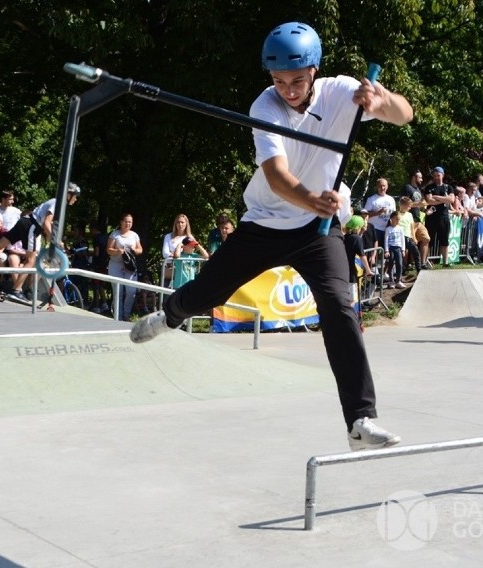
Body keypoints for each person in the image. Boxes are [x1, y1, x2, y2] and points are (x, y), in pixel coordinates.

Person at [130, 21, 413, 451]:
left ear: (314, 71)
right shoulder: (265, 107)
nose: (288, 90)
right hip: (265, 223)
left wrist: (382, 99)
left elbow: (404, 114)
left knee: (340, 307)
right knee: (208, 292)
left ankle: (360, 419)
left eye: (297, 80)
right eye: (279, 81)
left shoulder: (343, 91)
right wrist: (309, 198)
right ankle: (170, 314)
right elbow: (278, 177)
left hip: (318, 232)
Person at [107, 212, 142, 320]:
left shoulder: (134, 235)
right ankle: (118, 316)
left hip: (129, 267)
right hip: (116, 265)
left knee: (131, 291)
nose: (128, 224)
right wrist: (117, 251)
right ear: (121, 222)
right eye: (126, 221)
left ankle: (126, 314)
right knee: (118, 291)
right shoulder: (114, 234)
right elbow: (108, 250)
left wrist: (135, 250)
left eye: (130, 222)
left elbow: (140, 250)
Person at [423, 166, 456, 267]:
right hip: (432, 218)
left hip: (444, 217)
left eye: (439, 175)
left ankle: (445, 262)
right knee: (429, 240)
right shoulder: (429, 188)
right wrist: (444, 199)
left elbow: (451, 200)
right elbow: (429, 200)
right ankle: (425, 261)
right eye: (435, 175)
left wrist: (437, 197)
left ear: (443, 175)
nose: (437, 177)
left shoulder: (448, 187)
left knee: (444, 240)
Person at [343, 215, 372, 324]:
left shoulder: (344, 237)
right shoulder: (357, 239)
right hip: (350, 273)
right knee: (352, 299)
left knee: (344, 298)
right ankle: (347, 321)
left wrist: (361, 233)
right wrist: (368, 270)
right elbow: (362, 255)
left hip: (340, 272)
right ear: (358, 227)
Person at [161, 214, 194, 286]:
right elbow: (165, 253)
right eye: (178, 222)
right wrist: (176, 254)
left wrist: (176, 254)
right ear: (175, 224)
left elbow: (190, 252)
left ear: (186, 224)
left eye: (182, 222)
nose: (180, 224)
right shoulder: (168, 236)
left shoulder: (189, 237)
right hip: (170, 269)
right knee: (166, 294)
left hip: (184, 271)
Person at [364, 177, 397, 245]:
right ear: (376, 187)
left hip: (387, 229)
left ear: (387, 187)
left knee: (384, 252)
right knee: (373, 251)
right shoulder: (371, 199)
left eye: (384, 186)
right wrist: (378, 213)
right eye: (380, 186)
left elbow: (394, 215)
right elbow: (364, 214)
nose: (382, 188)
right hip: (374, 229)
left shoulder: (391, 199)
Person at [396, 196, 421, 274]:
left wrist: (414, 238)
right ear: (403, 205)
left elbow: (412, 227)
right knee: (401, 254)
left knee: (416, 251)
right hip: (400, 237)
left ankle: (419, 269)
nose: (410, 208)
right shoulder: (397, 214)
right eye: (408, 206)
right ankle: (402, 269)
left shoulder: (409, 215)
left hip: (408, 236)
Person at [382, 211, 406, 289]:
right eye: (396, 219)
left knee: (399, 264)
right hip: (391, 248)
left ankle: (398, 280)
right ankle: (391, 281)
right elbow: (386, 239)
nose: (398, 221)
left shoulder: (400, 229)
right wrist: (386, 250)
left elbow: (403, 239)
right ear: (391, 219)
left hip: (398, 248)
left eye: (399, 220)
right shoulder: (388, 229)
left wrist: (403, 249)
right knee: (391, 264)